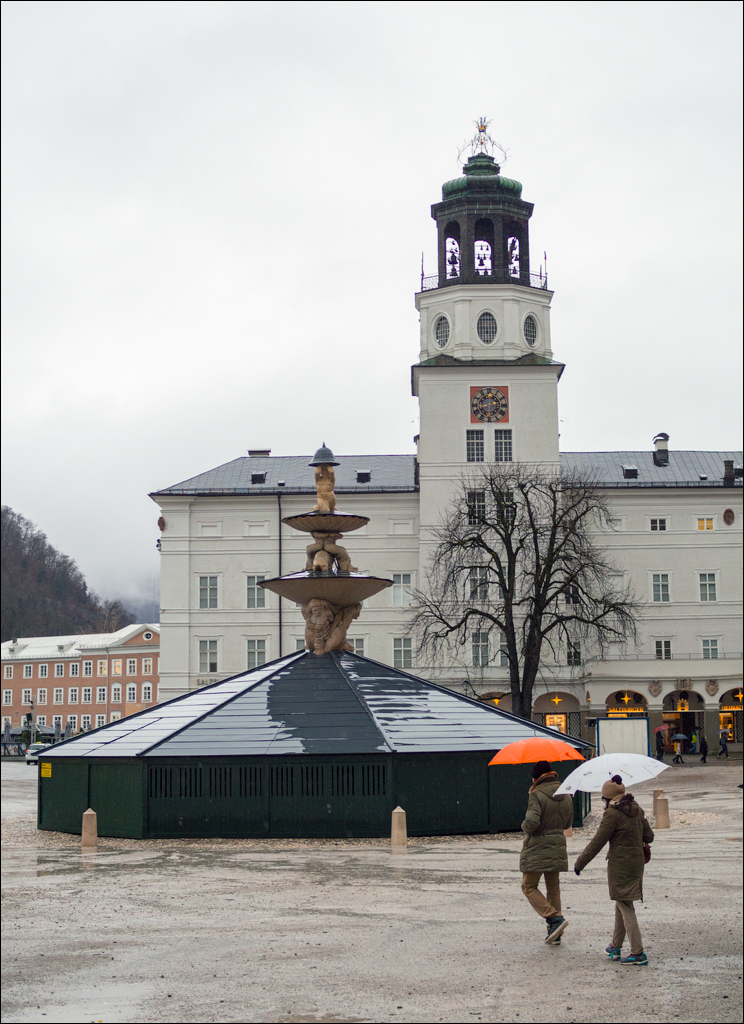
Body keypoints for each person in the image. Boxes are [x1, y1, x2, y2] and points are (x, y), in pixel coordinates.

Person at [574, 777, 654, 966]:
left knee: (626, 906)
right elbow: (649, 836)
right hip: (636, 864)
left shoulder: (612, 814)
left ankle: (638, 952)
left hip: (621, 866)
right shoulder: (637, 809)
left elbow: (598, 842)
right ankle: (615, 946)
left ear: (607, 798)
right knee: (621, 902)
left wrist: (580, 863)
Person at [519, 759, 574, 944]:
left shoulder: (535, 793)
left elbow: (532, 823)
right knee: (553, 888)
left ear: (536, 777)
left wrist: (524, 825)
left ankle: (553, 917)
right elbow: (567, 823)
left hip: (537, 848)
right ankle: (555, 932)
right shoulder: (565, 792)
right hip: (557, 846)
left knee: (528, 886)